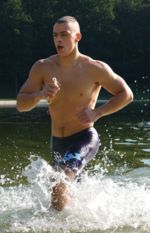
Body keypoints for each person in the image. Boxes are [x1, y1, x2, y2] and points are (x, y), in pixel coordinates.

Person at [16, 16, 133, 211]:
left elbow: (126, 94)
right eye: (55, 35)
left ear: (77, 36)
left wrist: (98, 113)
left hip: (84, 138)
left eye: (64, 35)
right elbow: (21, 104)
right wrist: (40, 94)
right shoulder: (43, 67)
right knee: (62, 192)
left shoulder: (93, 68)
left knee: (60, 180)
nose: (58, 40)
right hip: (57, 142)